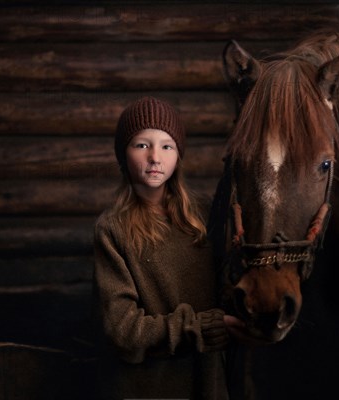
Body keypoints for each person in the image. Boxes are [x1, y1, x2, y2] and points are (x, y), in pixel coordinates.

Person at [92, 96, 249, 400]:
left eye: (167, 146)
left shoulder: (207, 216)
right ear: (123, 155)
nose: (154, 156)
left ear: (178, 156)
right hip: (150, 389)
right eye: (141, 145)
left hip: (212, 384)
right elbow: (122, 330)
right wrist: (202, 328)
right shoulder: (112, 229)